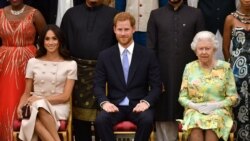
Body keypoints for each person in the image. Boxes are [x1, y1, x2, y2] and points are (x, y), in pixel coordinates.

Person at [94, 12, 161, 141]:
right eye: (120, 29)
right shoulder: (105, 56)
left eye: (126, 29)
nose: (123, 33)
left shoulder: (148, 55)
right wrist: (104, 102)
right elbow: (98, 85)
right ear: (114, 30)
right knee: (100, 120)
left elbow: (156, 86)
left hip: (138, 105)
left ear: (133, 29)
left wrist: (146, 102)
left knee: (147, 120)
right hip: (114, 105)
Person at [147, 0, 205, 140]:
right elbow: (151, 49)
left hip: (191, 77)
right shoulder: (156, 15)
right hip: (163, 75)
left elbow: (202, 47)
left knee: (190, 114)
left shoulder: (196, 14)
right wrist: (155, 78)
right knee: (165, 112)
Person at [60, 0, 118, 140]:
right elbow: (63, 44)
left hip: (105, 75)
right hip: (78, 73)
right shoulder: (71, 14)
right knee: (80, 122)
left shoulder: (114, 15)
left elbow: (120, 45)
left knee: (103, 118)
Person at [16, 25, 77, 141]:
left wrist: (40, 99)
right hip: (35, 105)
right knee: (33, 114)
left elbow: (65, 97)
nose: (51, 42)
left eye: (54, 38)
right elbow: (26, 93)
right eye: (47, 39)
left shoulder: (70, 64)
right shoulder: (33, 62)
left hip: (58, 107)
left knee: (37, 109)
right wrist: (19, 107)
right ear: (42, 41)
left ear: (60, 41)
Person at [178, 31, 238, 141]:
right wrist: (196, 106)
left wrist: (216, 105)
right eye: (201, 49)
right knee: (195, 126)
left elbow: (233, 97)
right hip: (195, 110)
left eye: (207, 48)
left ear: (214, 49)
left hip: (219, 111)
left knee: (213, 124)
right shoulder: (189, 68)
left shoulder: (225, 68)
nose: (204, 52)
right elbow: (182, 97)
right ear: (196, 51)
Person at [0, 0, 46, 140]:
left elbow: (46, 39)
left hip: (29, 63)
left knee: (25, 100)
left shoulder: (35, 14)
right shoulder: (0, 13)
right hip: (4, 63)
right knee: (5, 103)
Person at [223, 0, 250, 140]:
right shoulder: (230, 19)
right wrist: (232, 68)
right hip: (238, 74)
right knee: (239, 107)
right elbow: (225, 48)